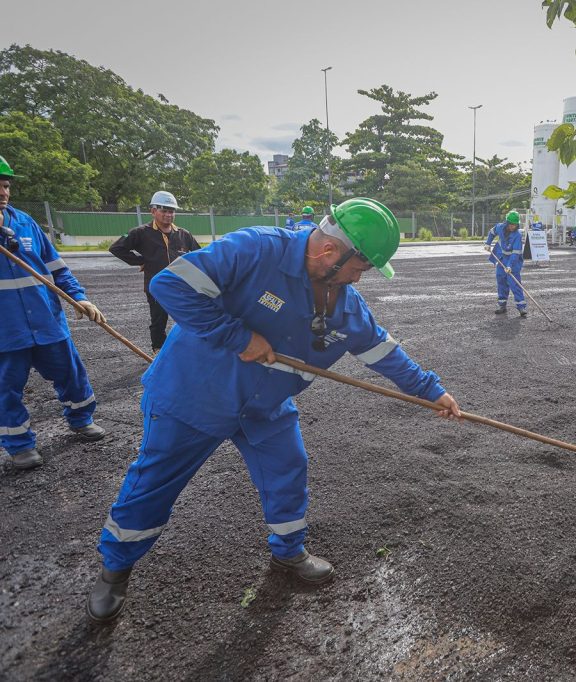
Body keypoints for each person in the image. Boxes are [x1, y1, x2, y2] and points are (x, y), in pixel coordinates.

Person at [87, 197, 462, 622]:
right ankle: (114, 570)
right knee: (154, 483)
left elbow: (383, 351)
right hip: (193, 395)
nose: (360, 279)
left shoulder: (345, 303)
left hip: (264, 405)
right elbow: (170, 285)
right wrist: (238, 337)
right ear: (329, 252)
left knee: (288, 468)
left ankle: (288, 551)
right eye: (360, 268)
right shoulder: (255, 249)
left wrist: (432, 392)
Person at [0, 154, 106, 470]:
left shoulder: (26, 224)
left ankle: (81, 418)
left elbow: (58, 269)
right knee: (5, 391)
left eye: (5, 186)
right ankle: (19, 445)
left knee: (71, 374)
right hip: (6, 333)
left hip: (47, 323)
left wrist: (79, 297)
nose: (3, 192)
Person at [109, 191, 202, 352]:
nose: (168, 214)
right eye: (164, 210)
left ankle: (190, 349)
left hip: (181, 286)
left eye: (171, 211)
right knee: (159, 319)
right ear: (153, 211)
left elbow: (198, 256)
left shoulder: (184, 234)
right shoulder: (140, 232)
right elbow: (116, 248)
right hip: (156, 286)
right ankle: (158, 349)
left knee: (189, 317)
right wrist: (142, 261)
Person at [484, 211, 527, 317]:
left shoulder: (517, 235)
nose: (513, 226)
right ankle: (502, 305)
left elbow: (516, 253)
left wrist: (510, 266)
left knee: (514, 283)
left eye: (515, 224)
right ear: (507, 223)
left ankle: (521, 307)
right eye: (511, 224)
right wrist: (488, 243)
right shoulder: (500, 227)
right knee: (501, 280)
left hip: (513, 261)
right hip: (501, 258)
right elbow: (492, 232)